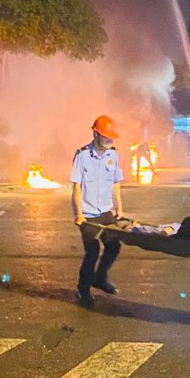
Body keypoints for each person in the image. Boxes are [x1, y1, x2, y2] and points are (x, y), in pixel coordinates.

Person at [71, 114, 124, 310]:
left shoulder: (113, 155)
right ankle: (82, 291)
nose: (110, 140)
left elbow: (116, 183)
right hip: (88, 213)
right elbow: (76, 186)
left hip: (105, 210)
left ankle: (100, 278)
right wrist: (79, 214)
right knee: (92, 251)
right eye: (106, 136)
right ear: (95, 134)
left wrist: (119, 207)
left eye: (111, 137)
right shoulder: (82, 155)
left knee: (114, 246)